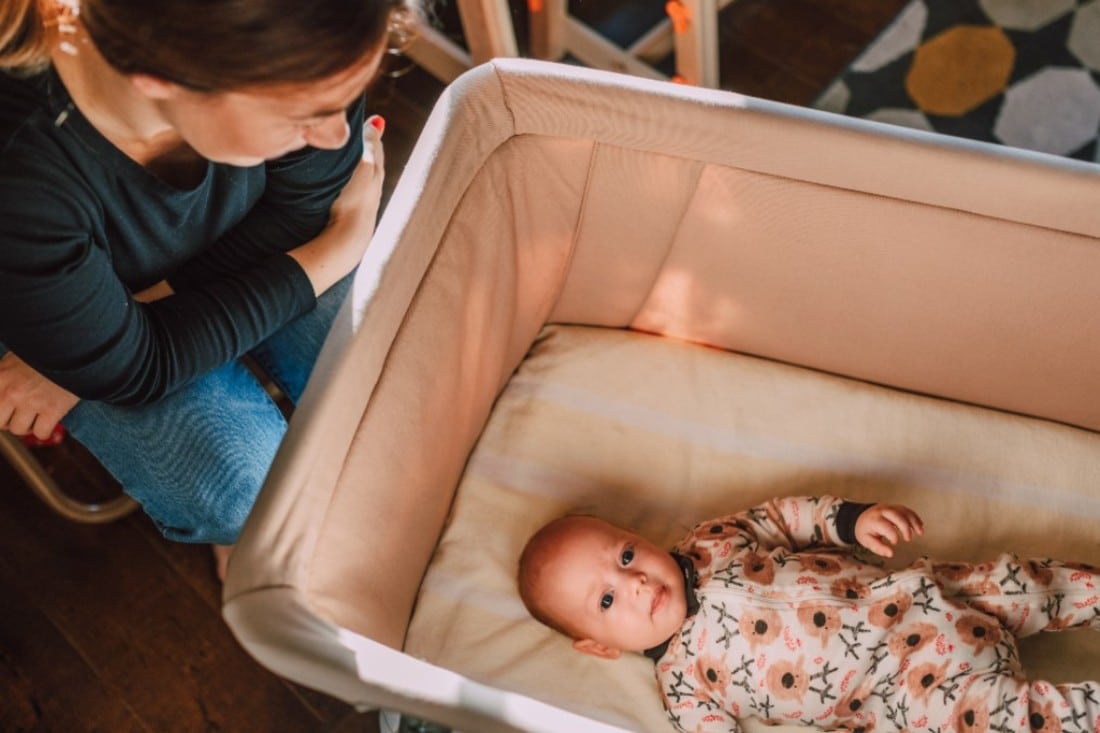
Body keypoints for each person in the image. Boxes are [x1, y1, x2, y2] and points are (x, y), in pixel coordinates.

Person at [0, 0, 410, 579]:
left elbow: (305, 206)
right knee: (239, 492)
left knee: (395, 374)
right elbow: (140, 369)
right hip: (40, 301)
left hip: (138, 298)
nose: (335, 133)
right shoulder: (22, 179)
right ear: (159, 83)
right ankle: (242, 532)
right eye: (301, 116)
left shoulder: (295, 33)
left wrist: (124, 331)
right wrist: (334, 251)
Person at [518, 496, 1100, 732]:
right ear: (598, 645)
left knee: (1030, 582)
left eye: (624, 556)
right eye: (607, 601)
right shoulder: (683, 683)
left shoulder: (710, 542)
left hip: (924, 592)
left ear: (636, 535)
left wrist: (853, 519)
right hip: (902, 690)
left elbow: (782, 518)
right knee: (1001, 721)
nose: (637, 582)